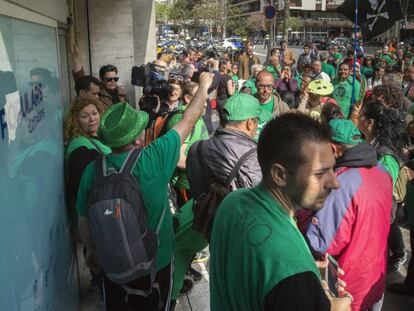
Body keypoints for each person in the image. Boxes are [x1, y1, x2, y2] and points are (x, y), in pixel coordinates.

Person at [75, 72, 214, 310]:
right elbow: (189, 118)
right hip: (156, 263)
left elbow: (84, 225)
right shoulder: (153, 157)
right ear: (138, 137)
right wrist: (203, 86)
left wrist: (94, 253)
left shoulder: (92, 170)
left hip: (113, 265)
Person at [210, 113, 352, 311]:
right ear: (279, 175)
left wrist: (311, 282)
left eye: (332, 169)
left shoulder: (233, 202)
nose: (334, 183)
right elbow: (283, 269)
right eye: (320, 173)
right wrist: (337, 305)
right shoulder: (293, 273)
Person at [171, 94, 266, 306]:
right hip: (242, 235)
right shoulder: (256, 157)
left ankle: (170, 296)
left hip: (209, 221)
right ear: (251, 122)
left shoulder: (199, 147)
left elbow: (196, 188)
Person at [302, 119, 393, 311]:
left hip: (347, 287)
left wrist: (303, 215)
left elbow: (320, 242)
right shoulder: (382, 170)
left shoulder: (342, 184)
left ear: (334, 149)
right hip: (375, 276)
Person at [357, 101, 409, 273]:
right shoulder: (369, 143)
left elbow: (383, 190)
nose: (358, 117)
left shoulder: (385, 155)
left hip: (380, 211)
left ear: (370, 123)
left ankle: (397, 255)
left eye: (361, 115)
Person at [165, 81, 209, 206]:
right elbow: (178, 159)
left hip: (196, 182)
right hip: (185, 185)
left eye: (205, 99)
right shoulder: (181, 120)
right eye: (201, 99)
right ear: (188, 98)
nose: (205, 104)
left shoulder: (197, 117)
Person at [71, 42, 125, 108]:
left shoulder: (122, 93)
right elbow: (81, 80)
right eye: (109, 79)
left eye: (115, 79)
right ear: (102, 79)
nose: (113, 81)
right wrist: (76, 60)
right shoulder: (96, 92)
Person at [255, 70, 290, 140]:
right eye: (262, 86)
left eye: (269, 86)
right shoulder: (248, 103)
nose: (266, 90)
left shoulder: (282, 107)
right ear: (256, 85)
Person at [216, 59, 236, 124]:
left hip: (218, 101)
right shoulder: (228, 78)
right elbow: (231, 92)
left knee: (221, 122)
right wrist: (234, 86)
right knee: (227, 123)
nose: (231, 65)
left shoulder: (217, 75)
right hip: (226, 102)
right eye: (229, 63)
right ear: (224, 66)